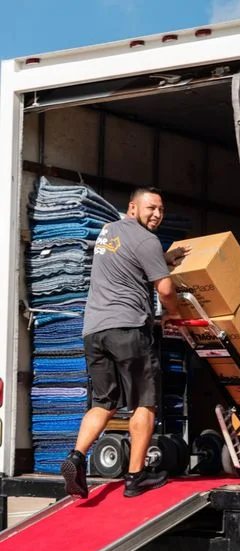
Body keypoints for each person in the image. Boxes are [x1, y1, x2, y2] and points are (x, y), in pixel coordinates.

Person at [60, 186, 190, 498]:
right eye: (151, 208)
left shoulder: (108, 231)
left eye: (161, 209)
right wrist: (174, 314)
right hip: (128, 329)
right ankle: (135, 477)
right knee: (145, 402)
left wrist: (162, 259)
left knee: (104, 402)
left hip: (94, 331)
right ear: (133, 207)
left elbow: (129, 259)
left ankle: (76, 457)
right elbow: (165, 289)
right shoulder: (147, 240)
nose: (157, 214)